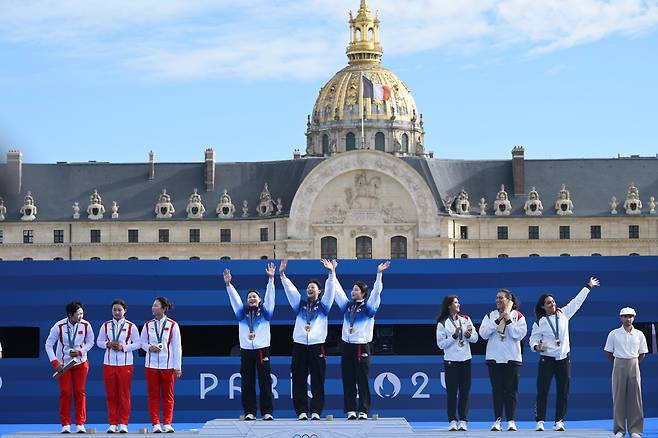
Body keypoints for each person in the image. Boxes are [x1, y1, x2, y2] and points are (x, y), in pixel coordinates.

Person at [529, 277, 600, 431]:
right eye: (548, 302)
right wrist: (536, 346)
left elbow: (577, 301)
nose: (552, 304)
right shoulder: (539, 322)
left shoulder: (564, 314)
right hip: (546, 360)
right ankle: (540, 421)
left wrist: (588, 287)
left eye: (553, 301)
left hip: (563, 359)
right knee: (543, 390)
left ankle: (559, 421)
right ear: (543, 306)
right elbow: (532, 339)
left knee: (563, 390)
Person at [333, 260, 391, 420]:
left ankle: (363, 410)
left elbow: (377, 292)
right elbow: (337, 292)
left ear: (363, 293)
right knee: (348, 379)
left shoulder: (369, 308)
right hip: (347, 346)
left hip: (361, 347)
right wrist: (332, 273)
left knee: (362, 380)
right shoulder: (347, 307)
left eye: (356, 290)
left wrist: (379, 274)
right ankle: (351, 410)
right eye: (352, 290)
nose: (353, 292)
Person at [279, 259, 336, 420]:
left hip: (317, 346)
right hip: (299, 346)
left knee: (318, 380)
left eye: (313, 287)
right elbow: (291, 291)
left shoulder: (324, 306)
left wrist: (331, 273)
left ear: (319, 291)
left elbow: (331, 290)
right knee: (298, 380)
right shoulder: (300, 305)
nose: (310, 289)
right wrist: (282, 275)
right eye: (308, 287)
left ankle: (316, 411)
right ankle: (302, 411)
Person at [224, 263, 276, 421]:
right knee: (247, 383)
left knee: (265, 382)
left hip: (262, 350)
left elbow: (270, 297)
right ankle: (250, 412)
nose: (252, 298)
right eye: (249, 297)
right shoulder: (242, 313)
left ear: (259, 300)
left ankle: (267, 412)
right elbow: (234, 300)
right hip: (246, 350)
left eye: (254, 297)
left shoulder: (266, 313)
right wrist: (228, 284)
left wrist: (271, 280)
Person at [479, 289, 527, 432]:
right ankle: (498, 420)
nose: (498, 300)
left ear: (508, 300)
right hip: (494, 358)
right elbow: (483, 334)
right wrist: (497, 321)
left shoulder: (518, 316)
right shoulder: (490, 315)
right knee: (497, 391)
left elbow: (518, 335)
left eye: (501, 298)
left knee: (511, 391)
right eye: (497, 298)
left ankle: (511, 421)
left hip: (512, 358)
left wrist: (508, 320)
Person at [45, 301, 95, 434]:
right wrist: (55, 362)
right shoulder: (59, 326)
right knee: (65, 392)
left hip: (80, 362)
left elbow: (91, 342)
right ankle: (65, 424)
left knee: (80, 392)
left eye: (82, 313)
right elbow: (48, 344)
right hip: (63, 364)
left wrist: (80, 351)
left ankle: (80, 424)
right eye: (78, 314)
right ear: (69, 315)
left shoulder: (86, 325)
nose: (81, 316)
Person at [96, 299, 142, 433]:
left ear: (125, 311)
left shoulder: (131, 326)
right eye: (114, 309)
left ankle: (123, 423)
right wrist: (107, 344)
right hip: (109, 363)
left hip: (125, 363)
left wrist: (124, 347)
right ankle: (112, 423)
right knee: (111, 394)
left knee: (124, 394)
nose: (116, 312)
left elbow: (138, 343)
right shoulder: (105, 326)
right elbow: (98, 342)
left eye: (119, 310)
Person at [140, 296, 182, 433]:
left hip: (168, 365)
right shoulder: (148, 325)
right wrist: (149, 347)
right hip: (151, 365)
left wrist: (178, 366)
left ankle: (167, 423)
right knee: (153, 395)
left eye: (156, 305)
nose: (153, 308)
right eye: (152, 305)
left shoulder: (172, 325)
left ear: (163, 309)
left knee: (168, 395)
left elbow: (177, 347)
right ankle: (155, 424)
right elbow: (142, 343)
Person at [436, 295, 478, 431]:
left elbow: (475, 338)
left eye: (458, 302)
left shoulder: (466, 319)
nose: (458, 304)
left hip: (466, 359)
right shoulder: (442, 323)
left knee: (465, 391)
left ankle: (463, 420)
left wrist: (468, 336)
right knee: (452, 392)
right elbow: (441, 345)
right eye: (455, 303)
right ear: (449, 306)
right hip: (451, 361)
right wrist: (454, 336)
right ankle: (452, 420)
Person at [605, 307, 648, 438]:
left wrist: (633, 363)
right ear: (620, 318)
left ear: (633, 318)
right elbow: (609, 353)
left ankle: (635, 430)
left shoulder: (639, 334)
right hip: (618, 364)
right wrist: (619, 364)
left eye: (630, 316)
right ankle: (620, 430)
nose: (628, 319)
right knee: (618, 398)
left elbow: (642, 353)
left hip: (634, 364)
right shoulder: (613, 334)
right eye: (625, 316)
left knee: (636, 398)